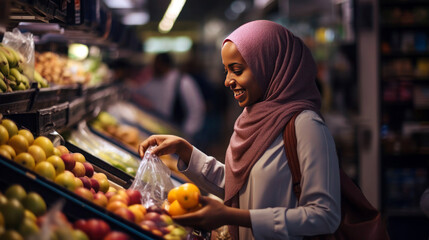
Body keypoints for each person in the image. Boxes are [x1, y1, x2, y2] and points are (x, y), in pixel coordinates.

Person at [138, 20, 341, 240]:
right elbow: (241, 186)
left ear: (270, 66)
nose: (227, 81)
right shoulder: (251, 119)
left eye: (237, 70)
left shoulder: (307, 126)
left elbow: (325, 216)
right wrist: (186, 151)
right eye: (226, 71)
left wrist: (236, 217)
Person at [133, 52, 206, 140]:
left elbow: (196, 109)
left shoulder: (183, 81)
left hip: (180, 130)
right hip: (162, 127)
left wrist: (187, 133)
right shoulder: (155, 80)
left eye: (156, 64)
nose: (153, 68)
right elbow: (141, 90)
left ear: (164, 64)